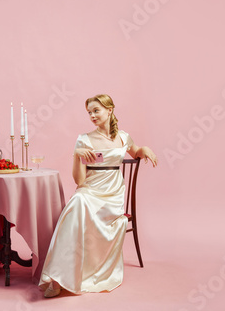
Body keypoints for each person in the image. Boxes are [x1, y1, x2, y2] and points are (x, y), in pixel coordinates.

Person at [39, 94, 157, 297]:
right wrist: (77, 155)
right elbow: (80, 181)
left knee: (80, 204)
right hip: (90, 190)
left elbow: (135, 151)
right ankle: (57, 277)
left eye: (96, 110)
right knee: (77, 203)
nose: (92, 115)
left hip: (113, 195)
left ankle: (83, 272)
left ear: (109, 110)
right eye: (89, 112)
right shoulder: (84, 139)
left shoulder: (123, 137)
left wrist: (144, 149)